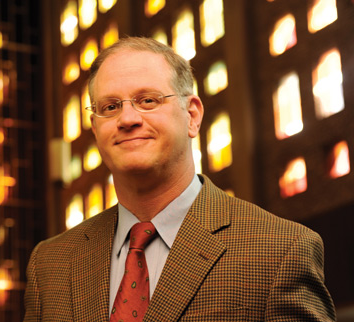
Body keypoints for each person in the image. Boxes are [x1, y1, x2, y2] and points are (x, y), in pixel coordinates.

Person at [24, 37, 336, 321]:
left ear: (192, 115)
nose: (128, 119)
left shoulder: (280, 250)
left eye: (148, 100)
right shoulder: (50, 265)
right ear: (95, 128)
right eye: (110, 107)